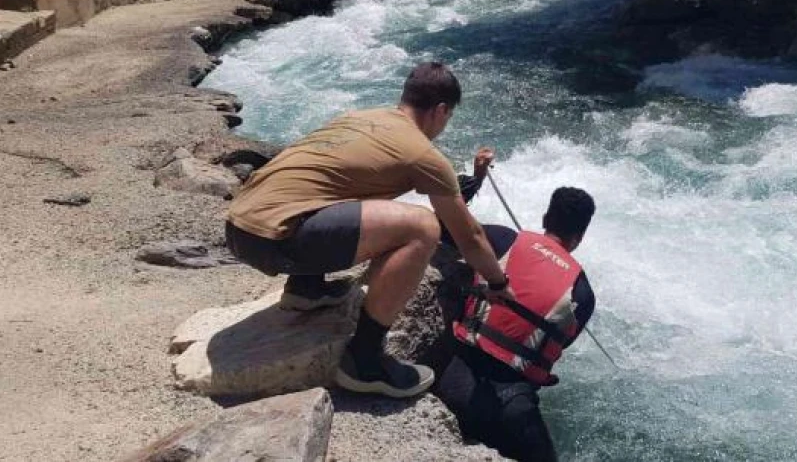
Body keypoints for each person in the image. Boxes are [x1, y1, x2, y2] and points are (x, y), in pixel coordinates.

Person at [224, 61, 515, 398]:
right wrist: (498, 282)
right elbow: (470, 236)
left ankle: (306, 288)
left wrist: (474, 180)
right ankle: (363, 360)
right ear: (440, 110)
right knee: (422, 227)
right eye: (448, 118)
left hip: (239, 226)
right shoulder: (423, 153)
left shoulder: (358, 118)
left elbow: (319, 183)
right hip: (276, 239)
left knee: (342, 190)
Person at [436, 187, 597, 462]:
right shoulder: (582, 294)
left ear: (546, 218)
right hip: (510, 406)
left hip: (453, 377)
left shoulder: (502, 239)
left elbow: (443, 226)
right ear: (580, 237)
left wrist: (474, 181)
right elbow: (558, 343)